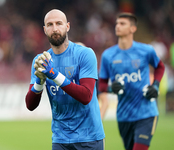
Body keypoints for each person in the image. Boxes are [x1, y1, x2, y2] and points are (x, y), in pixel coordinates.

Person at [25, 9, 105, 150]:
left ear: (67, 26)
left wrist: (53, 74)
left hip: (89, 138)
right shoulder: (40, 61)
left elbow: (86, 96)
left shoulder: (85, 54)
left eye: (59, 23)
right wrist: (39, 80)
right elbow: (30, 105)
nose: (55, 29)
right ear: (44, 30)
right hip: (60, 139)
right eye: (50, 25)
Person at [98, 13, 165, 150]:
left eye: (122, 23)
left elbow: (160, 67)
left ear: (132, 29)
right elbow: (102, 85)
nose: (118, 26)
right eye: (117, 23)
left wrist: (156, 86)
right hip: (124, 115)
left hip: (146, 113)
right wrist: (111, 88)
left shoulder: (146, 50)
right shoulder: (108, 55)